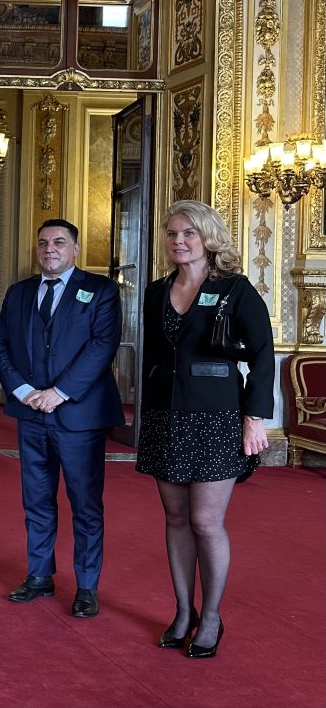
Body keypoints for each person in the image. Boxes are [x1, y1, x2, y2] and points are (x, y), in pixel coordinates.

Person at [136, 200, 274, 658]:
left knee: (205, 521)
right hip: (165, 416)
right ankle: (182, 610)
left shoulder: (235, 289)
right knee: (175, 518)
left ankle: (211, 615)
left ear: (207, 238)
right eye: (172, 234)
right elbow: (156, 356)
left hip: (217, 418)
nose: (179, 241)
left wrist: (254, 419)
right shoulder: (157, 290)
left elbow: (262, 355)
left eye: (188, 234)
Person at [0, 218, 123, 619]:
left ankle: (86, 586)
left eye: (60, 242)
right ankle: (39, 575)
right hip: (30, 414)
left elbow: (103, 346)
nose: (50, 248)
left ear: (75, 249)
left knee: (85, 504)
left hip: (78, 416)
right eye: (44, 242)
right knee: (37, 499)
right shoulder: (18, 293)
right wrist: (23, 391)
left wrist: (58, 393)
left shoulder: (100, 291)